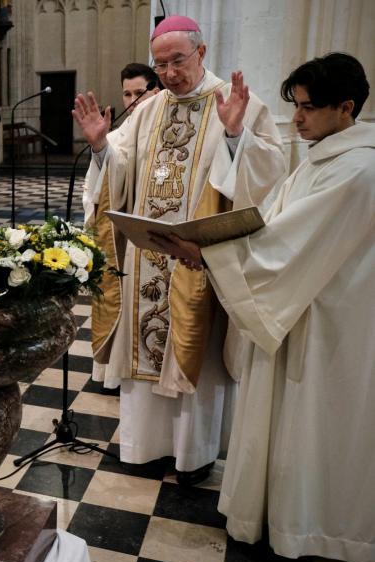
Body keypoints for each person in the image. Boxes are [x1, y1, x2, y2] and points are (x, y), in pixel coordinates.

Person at [153, 52, 374, 562]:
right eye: (295, 106)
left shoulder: (356, 170)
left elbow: (288, 247)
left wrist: (207, 253)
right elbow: (271, 223)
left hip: (326, 325)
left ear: (346, 107)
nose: (296, 119)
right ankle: (275, 513)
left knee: (314, 422)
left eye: (307, 108)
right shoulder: (327, 157)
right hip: (298, 308)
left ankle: (314, 527)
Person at [72, 15, 285, 485]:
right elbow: (121, 165)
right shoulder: (149, 108)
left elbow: (271, 169)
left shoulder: (234, 104)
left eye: (177, 61)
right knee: (144, 350)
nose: (168, 72)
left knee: (195, 351)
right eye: (160, 63)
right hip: (147, 255)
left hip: (199, 259)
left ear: (202, 53)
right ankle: (143, 447)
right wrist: (101, 148)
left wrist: (234, 136)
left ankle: (194, 455)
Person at [82, 63, 159, 221]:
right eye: (127, 94)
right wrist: (99, 146)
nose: (133, 100)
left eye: (139, 93)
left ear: (156, 93)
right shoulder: (112, 139)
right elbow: (97, 186)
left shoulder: (169, 133)